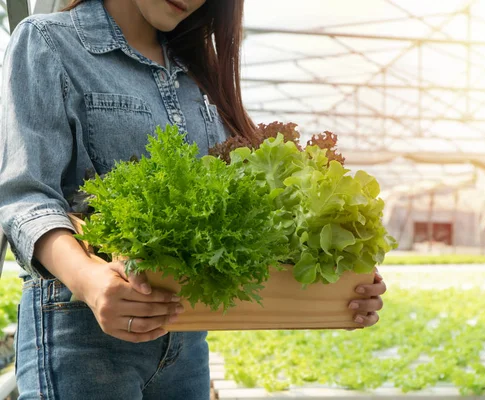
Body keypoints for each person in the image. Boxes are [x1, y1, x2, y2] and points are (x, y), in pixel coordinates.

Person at [0, 0, 387, 399]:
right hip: (81, 334)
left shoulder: (196, 72)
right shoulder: (48, 41)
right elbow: (26, 197)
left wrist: (341, 282)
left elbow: (243, 218)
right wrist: (90, 281)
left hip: (184, 342)